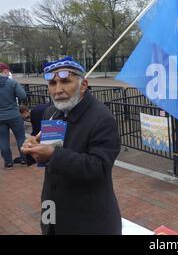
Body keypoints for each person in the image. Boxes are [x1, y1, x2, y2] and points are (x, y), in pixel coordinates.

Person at [22, 56, 122, 235]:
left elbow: (99, 167)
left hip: (87, 216)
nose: (57, 90)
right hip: (50, 204)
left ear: (83, 85)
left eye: (65, 82)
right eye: (52, 83)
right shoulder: (51, 112)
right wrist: (32, 148)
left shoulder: (102, 118)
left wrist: (53, 155)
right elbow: (45, 156)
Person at [0, 62, 27, 168]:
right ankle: (24, 159)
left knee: (3, 139)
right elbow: (23, 96)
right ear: (5, 71)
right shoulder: (12, 83)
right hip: (14, 115)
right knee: (20, 137)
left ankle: (8, 162)